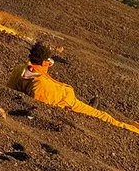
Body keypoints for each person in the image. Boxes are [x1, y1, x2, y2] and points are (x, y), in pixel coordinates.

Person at [8, 42, 139, 134]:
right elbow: (45, 106)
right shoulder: (41, 85)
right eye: (48, 62)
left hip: (67, 100)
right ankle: (133, 130)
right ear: (43, 63)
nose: (50, 64)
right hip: (70, 105)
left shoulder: (21, 69)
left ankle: (131, 127)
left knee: (101, 114)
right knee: (104, 117)